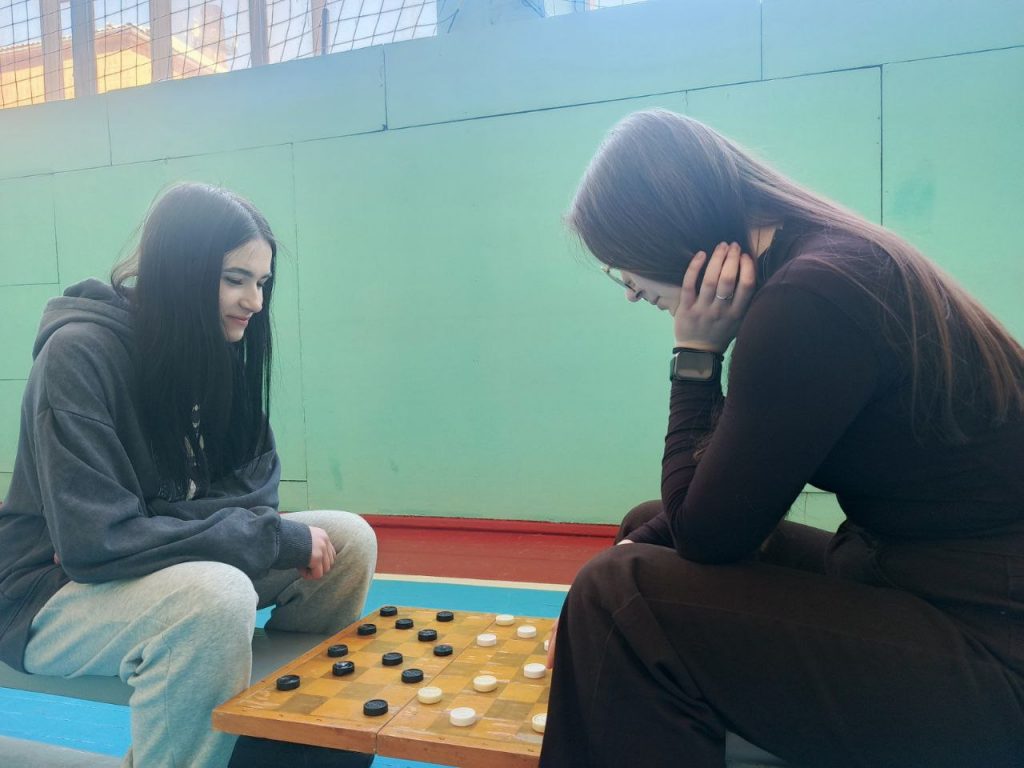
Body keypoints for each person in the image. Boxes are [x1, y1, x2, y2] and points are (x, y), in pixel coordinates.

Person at [540, 109, 1024, 768]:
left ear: (663, 230)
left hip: (991, 648)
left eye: (621, 265)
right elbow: (717, 498)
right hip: (908, 576)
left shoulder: (809, 300)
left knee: (618, 597)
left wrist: (695, 356)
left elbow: (710, 536)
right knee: (644, 530)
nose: (628, 291)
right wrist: (637, 544)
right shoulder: (819, 265)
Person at [0, 183, 378, 768]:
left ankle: (275, 748)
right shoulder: (78, 355)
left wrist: (155, 523)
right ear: (179, 270)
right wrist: (211, 530)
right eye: (235, 279)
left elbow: (258, 491)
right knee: (215, 597)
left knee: (348, 541)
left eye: (262, 283)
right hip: (46, 593)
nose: (254, 301)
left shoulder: (215, 349)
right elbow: (95, 543)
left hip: (144, 563)